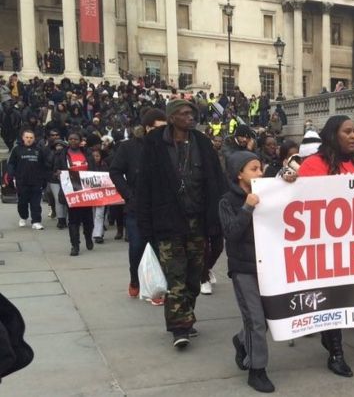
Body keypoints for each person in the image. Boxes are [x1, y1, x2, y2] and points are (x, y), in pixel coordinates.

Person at [136, 99, 226, 349]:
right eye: (184, 113)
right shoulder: (154, 144)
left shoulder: (202, 143)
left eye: (192, 113)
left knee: (193, 276)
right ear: (172, 117)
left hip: (197, 221)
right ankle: (179, 327)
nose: (190, 117)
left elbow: (216, 181)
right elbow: (144, 186)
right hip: (168, 223)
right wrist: (145, 226)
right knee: (175, 275)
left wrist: (217, 220)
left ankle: (186, 315)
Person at [295, 115, 354, 377]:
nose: (353, 136)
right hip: (323, 246)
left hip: (350, 245)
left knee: (341, 298)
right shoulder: (315, 164)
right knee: (331, 299)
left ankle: (330, 339)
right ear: (332, 135)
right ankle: (336, 351)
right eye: (347, 132)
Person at [219, 151, 275, 393]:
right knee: (255, 321)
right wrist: (246, 208)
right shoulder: (227, 202)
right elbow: (231, 233)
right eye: (254, 169)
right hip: (243, 268)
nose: (260, 173)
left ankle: (242, 340)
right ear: (239, 173)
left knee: (267, 320)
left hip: (268, 266)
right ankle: (257, 370)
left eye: (261, 168)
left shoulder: (268, 194)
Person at [110, 108, 168, 300]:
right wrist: (128, 195)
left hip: (161, 206)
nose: (163, 132)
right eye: (158, 128)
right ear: (147, 127)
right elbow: (115, 171)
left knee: (161, 248)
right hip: (137, 207)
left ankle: (157, 286)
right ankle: (135, 279)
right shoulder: (128, 148)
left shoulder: (168, 146)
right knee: (137, 247)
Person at [54, 131, 97, 256]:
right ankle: (75, 245)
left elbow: (94, 169)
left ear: (80, 141)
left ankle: (88, 237)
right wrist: (58, 174)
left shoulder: (87, 153)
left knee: (88, 219)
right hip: (71, 192)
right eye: (71, 139)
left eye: (76, 139)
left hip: (86, 191)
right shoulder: (62, 154)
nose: (73, 141)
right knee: (73, 220)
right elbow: (55, 169)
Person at [6, 129, 48, 230]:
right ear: (23, 138)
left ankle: (36, 221)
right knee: (22, 202)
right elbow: (11, 164)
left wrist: (44, 179)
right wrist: (11, 176)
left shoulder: (39, 150)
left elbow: (43, 166)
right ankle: (23, 217)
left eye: (31, 138)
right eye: (27, 137)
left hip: (36, 181)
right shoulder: (17, 150)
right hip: (22, 181)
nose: (29, 139)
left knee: (36, 203)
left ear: (34, 139)